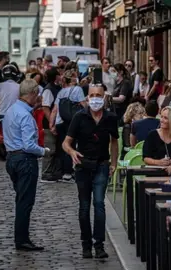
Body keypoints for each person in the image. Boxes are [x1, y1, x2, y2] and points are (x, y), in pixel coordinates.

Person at [62, 83, 118, 259]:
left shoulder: (110, 118)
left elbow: (114, 141)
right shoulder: (79, 117)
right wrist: (72, 152)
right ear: (87, 97)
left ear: (104, 97)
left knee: (99, 205)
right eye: (92, 95)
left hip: (102, 165)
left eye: (98, 95)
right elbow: (66, 142)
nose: (95, 98)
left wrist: (113, 163)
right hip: (83, 166)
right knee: (84, 207)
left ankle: (99, 245)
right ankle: (86, 245)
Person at [3, 79, 49, 252]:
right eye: (37, 95)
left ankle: (21, 237)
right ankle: (21, 239)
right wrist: (45, 151)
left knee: (21, 199)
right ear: (31, 95)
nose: (38, 98)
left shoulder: (11, 110)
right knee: (25, 202)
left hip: (12, 159)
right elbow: (29, 145)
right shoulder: (25, 116)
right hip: (25, 161)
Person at [50, 69, 87, 183]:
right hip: (72, 121)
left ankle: (62, 172)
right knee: (71, 146)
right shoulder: (77, 89)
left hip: (60, 122)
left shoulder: (61, 92)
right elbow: (83, 104)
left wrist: (52, 124)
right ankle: (69, 172)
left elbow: (55, 109)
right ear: (73, 78)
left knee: (63, 146)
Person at [143, 106, 171, 175]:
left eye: (165, 118)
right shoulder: (152, 135)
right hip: (156, 174)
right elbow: (146, 158)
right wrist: (159, 162)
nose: (161, 120)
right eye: (161, 117)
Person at [40, 68, 63, 182]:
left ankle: (54, 172)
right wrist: (52, 123)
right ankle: (46, 173)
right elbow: (45, 107)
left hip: (56, 123)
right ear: (55, 77)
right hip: (49, 125)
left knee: (56, 149)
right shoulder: (48, 90)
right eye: (59, 75)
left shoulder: (56, 88)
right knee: (50, 149)